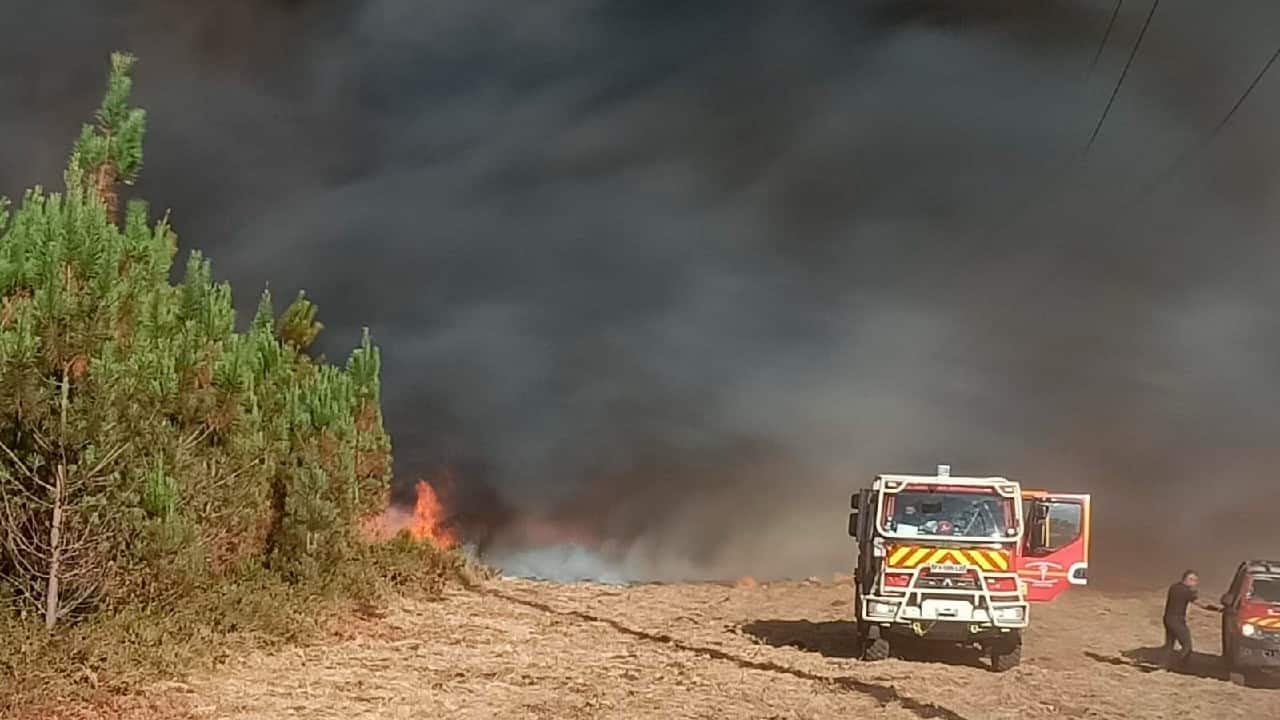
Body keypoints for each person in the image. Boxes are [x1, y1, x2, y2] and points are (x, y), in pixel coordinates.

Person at [1162, 570, 1201, 671]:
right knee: (1187, 646)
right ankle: (1179, 667)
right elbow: (1200, 603)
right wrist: (1216, 608)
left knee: (1169, 645)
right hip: (1177, 621)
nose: (1194, 582)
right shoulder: (1187, 591)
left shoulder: (1174, 587)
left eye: (1195, 580)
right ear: (1186, 579)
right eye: (1192, 579)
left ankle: (1164, 665)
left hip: (1168, 618)